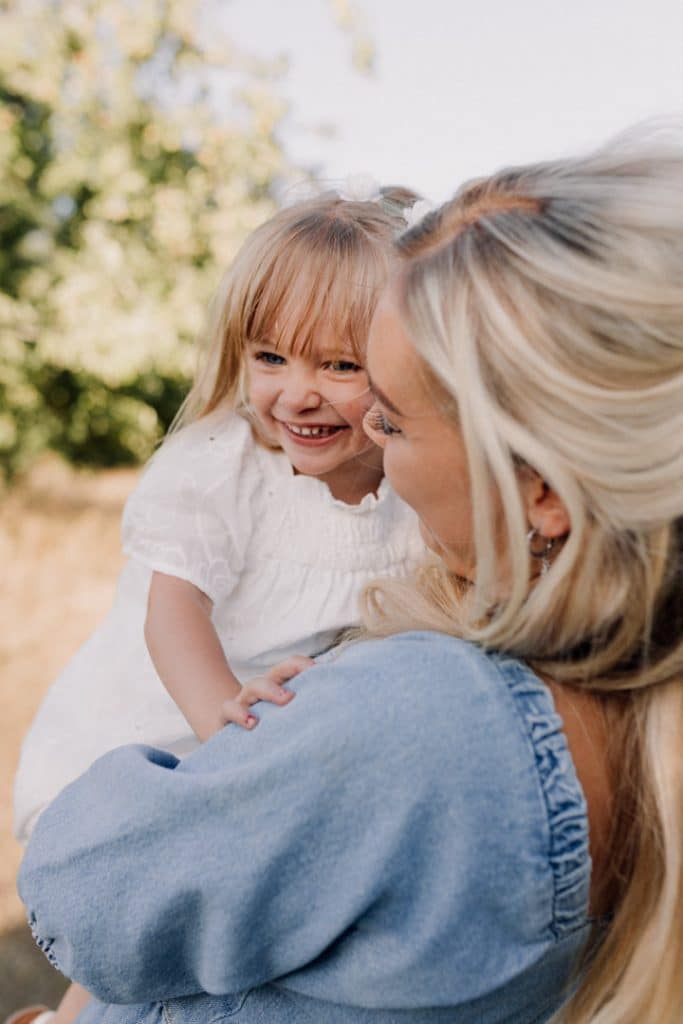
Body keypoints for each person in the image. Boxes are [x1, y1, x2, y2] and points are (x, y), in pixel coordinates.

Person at [18, 126, 683, 1023]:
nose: (366, 436)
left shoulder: (423, 724)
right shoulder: (637, 736)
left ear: (543, 490)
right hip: (171, 724)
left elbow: (90, 894)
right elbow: (171, 613)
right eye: (271, 358)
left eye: (390, 417)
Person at [10, 183, 426, 1024]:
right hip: (155, 734)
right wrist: (223, 729)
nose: (296, 394)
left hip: (255, 741)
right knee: (136, 923)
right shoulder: (220, 465)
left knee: (179, 940)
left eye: (339, 366)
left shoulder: (409, 486)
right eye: (270, 358)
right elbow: (174, 615)